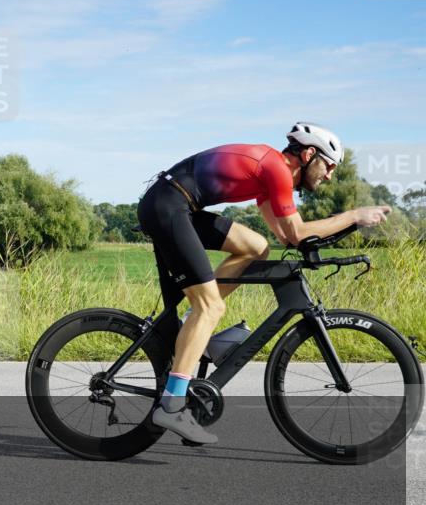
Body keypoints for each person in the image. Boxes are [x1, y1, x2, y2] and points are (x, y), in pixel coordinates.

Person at [136, 123, 391, 444]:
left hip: (176, 204)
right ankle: (171, 406)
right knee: (211, 306)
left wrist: (336, 235)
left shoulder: (270, 180)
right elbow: (297, 233)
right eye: (328, 166)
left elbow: (288, 237)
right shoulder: (275, 168)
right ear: (309, 154)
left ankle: (192, 327)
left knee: (257, 248)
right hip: (168, 206)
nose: (328, 176)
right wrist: (354, 215)